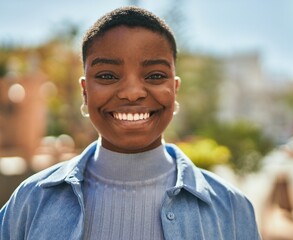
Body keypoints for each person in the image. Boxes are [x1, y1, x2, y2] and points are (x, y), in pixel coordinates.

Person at [0, 6, 261, 240]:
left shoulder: (231, 209)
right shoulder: (30, 201)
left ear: (175, 89)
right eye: (107, 75)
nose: (132, 92)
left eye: (155, 75)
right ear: (85, 92)